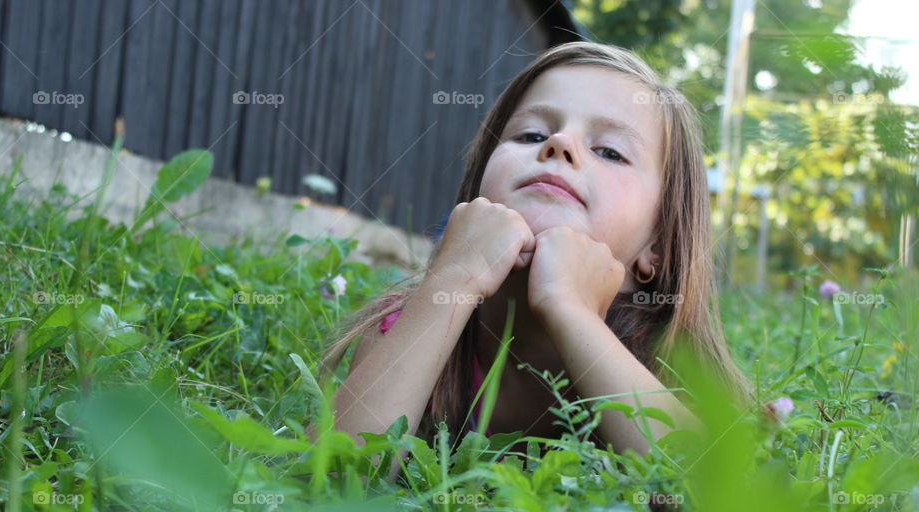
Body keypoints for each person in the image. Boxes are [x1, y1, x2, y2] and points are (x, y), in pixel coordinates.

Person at [319, 41, 751, 461]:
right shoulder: (409, 321)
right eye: (530, 134)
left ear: (658, 245)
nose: (560, 144)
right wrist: (453, 279)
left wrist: (571, 310)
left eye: (608, 151)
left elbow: (705, 491)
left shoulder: (670, 361)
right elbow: (337, 475)